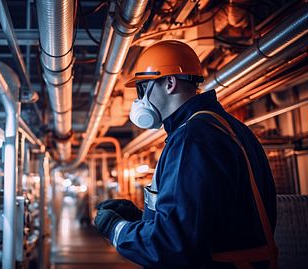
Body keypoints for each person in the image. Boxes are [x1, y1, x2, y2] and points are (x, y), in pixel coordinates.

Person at [94, 40, 278, 269]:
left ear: (170, 82)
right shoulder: (228, 127)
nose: (140, 100)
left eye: (142, 88)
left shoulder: (192, 138)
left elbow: (173, 245)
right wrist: (141, 218)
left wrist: (117, 229)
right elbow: (207, 221)